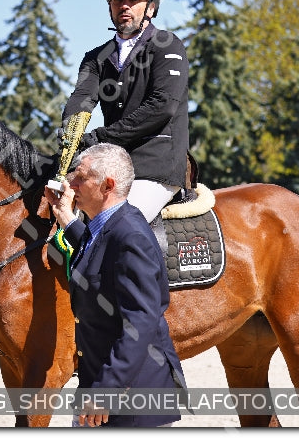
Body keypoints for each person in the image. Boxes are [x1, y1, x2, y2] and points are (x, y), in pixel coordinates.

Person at [44, 143, 186, 427]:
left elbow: (141, 321)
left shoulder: (130, 235)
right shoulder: (108, 226)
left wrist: (107, 389)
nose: (71, 184)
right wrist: (64, 215)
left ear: (107, 185)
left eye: (80, 177)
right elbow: (96, 249)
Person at [62, 0, 190, 223]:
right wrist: (69, 137)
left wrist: (100, 137)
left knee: (115, 223)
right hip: (112, 167)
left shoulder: (167, 45)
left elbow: (162, 106)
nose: (125, 6)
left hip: (156, 167)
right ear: (109, 5)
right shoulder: (96, 58)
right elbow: (81, 101)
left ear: (151, 7)